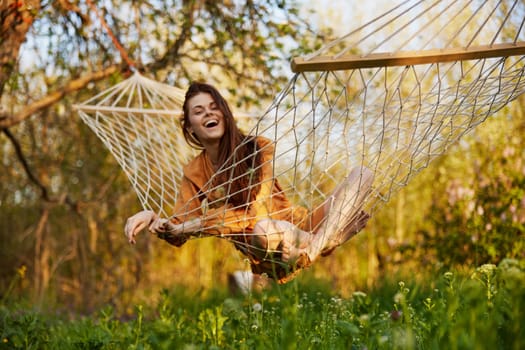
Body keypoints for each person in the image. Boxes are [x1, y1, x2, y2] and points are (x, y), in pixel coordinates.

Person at [124, 82, 373, 283]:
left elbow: (253, 209)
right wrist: (152, 217)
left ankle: (315, 247)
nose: (208, 113)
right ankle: (329, 240)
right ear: (190, 128)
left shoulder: (257, 149)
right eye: (199, 111)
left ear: (225, 114)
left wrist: (198, 224)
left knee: (363, 174)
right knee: (263, 229)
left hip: (300, 229)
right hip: (267, 249)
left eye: (214, 107)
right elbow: (178, 230)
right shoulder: (194, 172)